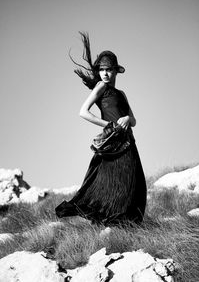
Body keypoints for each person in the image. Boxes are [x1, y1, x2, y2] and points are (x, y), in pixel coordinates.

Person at [55, 32, 147, 226]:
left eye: (109, 69)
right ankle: (111, 224)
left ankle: (126, 225)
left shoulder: (121, 93)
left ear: (116, 71)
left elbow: (134, 120)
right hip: (112, 144)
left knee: (134, 184)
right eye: (102, 69)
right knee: (111, 184)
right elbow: (83, 112)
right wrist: (109, 125)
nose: (105, 73)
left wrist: (126, 118)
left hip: (129, 142)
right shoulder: (100, 87)